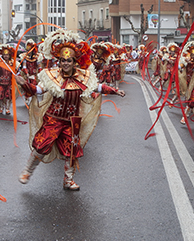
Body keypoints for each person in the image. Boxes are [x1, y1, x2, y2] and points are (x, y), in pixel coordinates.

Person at [15, 29, 125, 191]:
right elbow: (38, 90)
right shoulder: (52, 75)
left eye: (69, 60)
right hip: (53, 119)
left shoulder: (83, 76)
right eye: (63, 60)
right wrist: (23, 83)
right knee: (41, 146)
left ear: (75, 62)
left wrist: (115, 90)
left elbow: (98, 86)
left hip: (72, 121)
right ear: (59, 61)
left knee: (71, 151)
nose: (65, 63)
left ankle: (68, 180)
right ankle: (28, 171)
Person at [179, 41, 194, 125]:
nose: (193, 56)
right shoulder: (187, 60)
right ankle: (185, 115)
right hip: (187, 81)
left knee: (193, 100)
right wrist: (182, 65)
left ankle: (186, 116)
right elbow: (181, 66)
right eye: (192, 54)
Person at [0, 45, 15, 115]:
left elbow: (16, 70)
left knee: (8, 96)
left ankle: (7, 108)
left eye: (7, 55)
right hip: (1, 82)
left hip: (9, 82)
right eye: (4, 55)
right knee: (0, 95)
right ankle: (1, 107)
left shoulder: (12, 62)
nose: (6, 56)